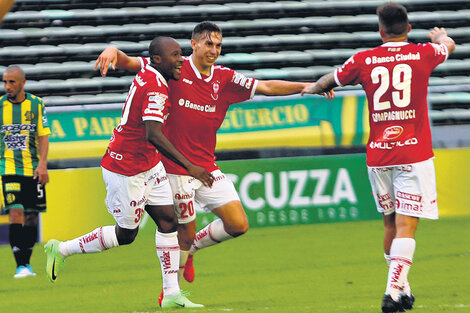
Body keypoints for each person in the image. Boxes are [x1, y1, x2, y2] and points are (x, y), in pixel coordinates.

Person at [95, 21, 333, 305]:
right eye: (209, 44)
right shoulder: (174, 69)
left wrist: (309, 86)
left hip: (206, 166)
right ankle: (170, 293)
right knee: (183, 231)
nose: (214, 50)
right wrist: (112, 50)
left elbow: (266, 86)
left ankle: (192, 250)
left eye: (218, 45)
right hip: (175, 168)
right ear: (193, 44)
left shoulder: (225, 78)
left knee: (238, 224)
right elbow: (134, 62)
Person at [301, 3, 455, 313]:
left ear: (380, 31)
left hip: (379, 156)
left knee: (390, 224)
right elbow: (447, 46)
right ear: (408, 29)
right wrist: (442, 36)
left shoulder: (363, 59)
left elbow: (327, 81)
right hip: (413, 153)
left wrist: (312, 89)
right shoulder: (423, 53)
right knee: (407, 227)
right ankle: (392, 292)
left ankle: (403, 289)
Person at [44, 36, 214, 309]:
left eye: (181, 54)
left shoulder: (150, 67)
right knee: (126, 235)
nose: (181, 59)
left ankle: (171, 293)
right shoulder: (156, 89)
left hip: (148, 164)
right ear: (159, 60)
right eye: (175, 55)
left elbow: (126, 61)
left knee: (169, 222)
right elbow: (154, 134)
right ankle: (61, 249)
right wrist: (190, 165)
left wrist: (114, 50)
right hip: (126, 168)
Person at [1, 65, 50, 278]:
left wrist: (43, 165)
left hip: (33, 168)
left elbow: (43, 135)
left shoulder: (37, 104)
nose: (7, 86)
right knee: (16, 212)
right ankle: (20, 265)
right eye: (5, 82)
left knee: (31, 216)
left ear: (23, 83)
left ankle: (27, 264)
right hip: (8, 168)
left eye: (12, 82)